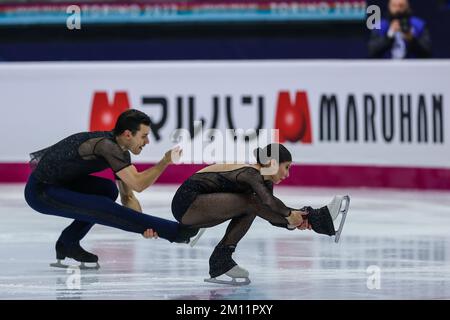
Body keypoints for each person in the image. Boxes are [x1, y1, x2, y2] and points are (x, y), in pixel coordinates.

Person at [24, 109, 199, 269]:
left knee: (108, 191)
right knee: (101, 207)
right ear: (128, 134)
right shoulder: (106, 146)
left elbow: (128, 196)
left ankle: (68, 242)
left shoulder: (121, 150)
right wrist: (164, 162)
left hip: (63, 183)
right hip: (41, 191)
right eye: (144, 136)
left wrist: (143, 226)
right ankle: (176, 232)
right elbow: (139, 184)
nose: (147, 141)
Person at [171, 143, 350, 285]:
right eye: (286, 167)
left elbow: (270, 212)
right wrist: (292, 215)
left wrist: (293, 220)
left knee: (252, 205)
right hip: (187, 203)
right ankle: (318, 218)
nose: (287, 174)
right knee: (252, 202)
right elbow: (269, 203)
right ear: (272, 163)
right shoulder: (251, 173)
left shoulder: (262, 182)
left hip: (204, 207)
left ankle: (221, 260)